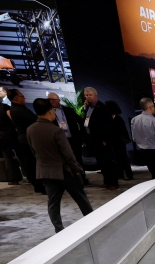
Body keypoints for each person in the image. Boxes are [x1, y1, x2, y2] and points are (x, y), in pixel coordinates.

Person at [26, 98, 93, 233]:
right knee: (81, 199)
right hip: (64, 171)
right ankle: (93, 222)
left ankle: (59, 229)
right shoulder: (56, 130)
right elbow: (68, 155)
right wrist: (77, 169)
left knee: (53, 202)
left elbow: (33, 151)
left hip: (45, 171)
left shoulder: (30, 130)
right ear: (50, 111)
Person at [7, 89, 43, 194]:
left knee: (31, 164)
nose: (25, 98)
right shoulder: (19, 110)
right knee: (32, 164)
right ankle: (39, 186)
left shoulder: (16, 109)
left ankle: (38, 185)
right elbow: (35, 120)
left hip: (25, 139)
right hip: (27, 141)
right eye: (22, 96)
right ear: (16, 98)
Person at [48, 92, 88, 186]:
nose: (51, 101)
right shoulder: (49, 112)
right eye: (49, 100)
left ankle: (82, 179)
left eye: (53, 99)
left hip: (73, 139)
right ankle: (69, 181)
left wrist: (81, 135)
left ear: (59, 100)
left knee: (77, 160)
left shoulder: (68, 110)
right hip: (60, 141)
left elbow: (80, 121)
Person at [82, 87, 118, 189]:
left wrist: (105, 139)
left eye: (90, 95)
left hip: (102, 140)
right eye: (86, 95)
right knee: (101, 162)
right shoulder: (88, 108)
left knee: (108, 162)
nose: (88, 97)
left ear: (95, 96)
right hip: (93, 139)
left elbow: (107, 125)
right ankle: (106, 181)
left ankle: (113, 182)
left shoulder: (102, 108)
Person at [131, 97, 155, 179]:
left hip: (143, 151)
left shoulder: (134, 120)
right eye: (153, 106)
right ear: (150, 107)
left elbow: (134, 138)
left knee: (153, 173)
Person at [105, 100, 133, 181]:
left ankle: (128, 174)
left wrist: (127, 138)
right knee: (117, 158)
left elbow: (123, 130)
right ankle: (120, 174)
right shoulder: (110, 118)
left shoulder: (117, 118)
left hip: (119, 140)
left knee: (123, 157)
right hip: (114, 140)